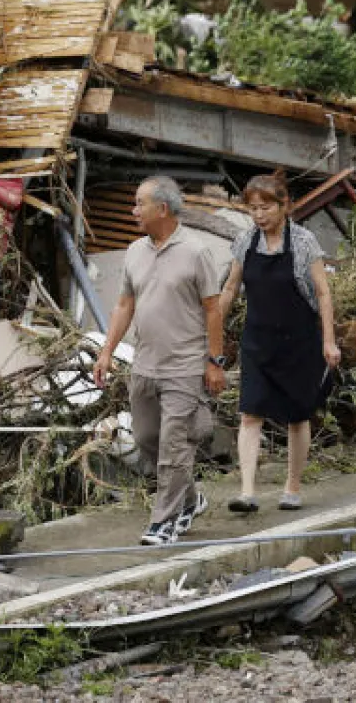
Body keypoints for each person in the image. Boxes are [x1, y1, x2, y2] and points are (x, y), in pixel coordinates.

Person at [91, 176, 226, 546]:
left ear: (162, 209)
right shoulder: (134, 251)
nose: (133, 211)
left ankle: (163, 523)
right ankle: (190, 498)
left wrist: (214, 361)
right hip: (145, 364)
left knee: (173, 445)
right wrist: (106, 352)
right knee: (148, 437)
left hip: (184, 366)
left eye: (139, 204)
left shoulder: (197, 252)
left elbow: (213, 311)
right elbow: (124, 305)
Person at [219, 171, 340, 513]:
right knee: (250, 412)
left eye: (265, 208)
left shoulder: (303, 242)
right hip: (257, 340)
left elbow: (322, 293)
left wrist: (328, 342)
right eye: (253, 209)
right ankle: (246, 492)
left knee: (297, 416)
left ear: (284, 206)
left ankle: (292, 486)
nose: (259, 215)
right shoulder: (246, 242)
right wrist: (211, 332)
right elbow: (230, 289)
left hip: (298, 341)